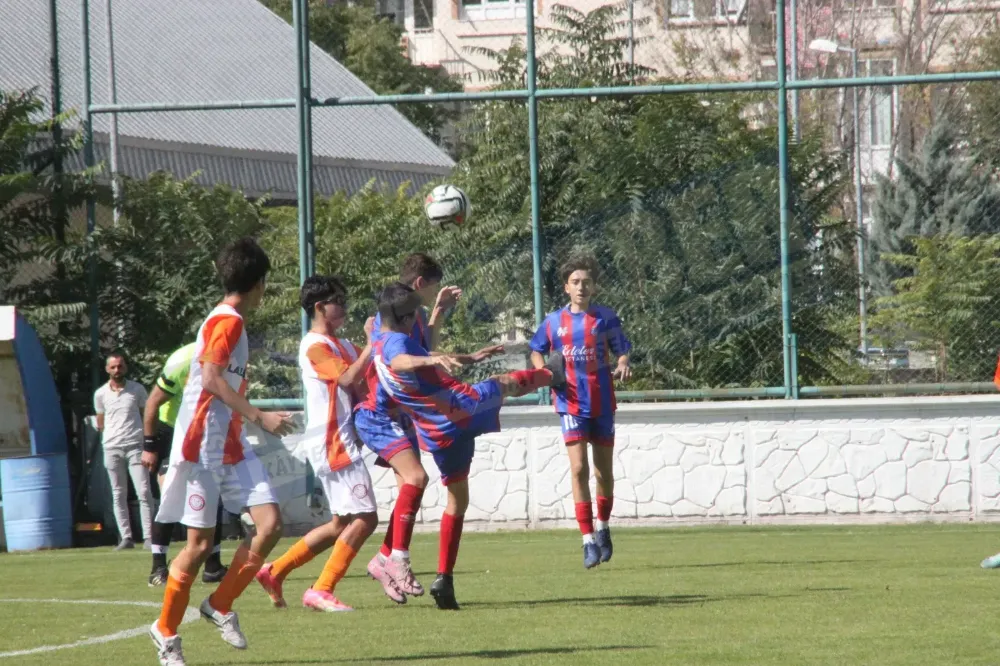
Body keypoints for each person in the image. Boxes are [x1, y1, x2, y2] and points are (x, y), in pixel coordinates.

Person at [372, 282, 567, 609]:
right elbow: (402, 361)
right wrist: (426, 362)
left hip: (437, 433)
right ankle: (553, 374)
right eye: (416, 314)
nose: (418, 319)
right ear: (405, 318)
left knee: (457, 498)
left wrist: (466, 357)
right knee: (502, 384)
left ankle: (444, 580)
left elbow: (418, 358)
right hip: (457, 409)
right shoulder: (397, 343)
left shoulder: (379, 341)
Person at [148, 238, 295, 666]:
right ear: (260, 283)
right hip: (202, 448)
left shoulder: (231, 322)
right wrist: (259, 416)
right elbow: (211, 378)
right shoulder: (227, 321)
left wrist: (252, 416)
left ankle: (219, 604)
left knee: (269, 525)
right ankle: (166, 632)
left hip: (230, 443)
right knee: (198, 546)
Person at [255, 275, 385, 612]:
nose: (344, 307)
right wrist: (371, 343)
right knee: (366, 518)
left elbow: (368, 374)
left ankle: (274, 571)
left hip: (340, 440)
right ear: (319, 307)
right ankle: (322, 589)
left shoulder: (342, 345)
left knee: (341, 523)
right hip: (333, 441)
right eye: (337, 302)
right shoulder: (315, 346)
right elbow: (348, 377)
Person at [357, 253, 462, 603]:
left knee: (411, 491)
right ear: (420, 284)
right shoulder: (391, 316)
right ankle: (395, 559)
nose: (433, 293)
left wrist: (439, 311)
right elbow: (400, 358)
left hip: (401, 415)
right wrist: (431, 358)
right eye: (433, 288)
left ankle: (384, 560)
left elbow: (423, 346)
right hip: (380, 414)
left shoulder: (408, 312)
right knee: (415, 480)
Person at [529, 254, 632, 570]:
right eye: (575, 282)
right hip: (570, 402)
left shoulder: (605, 318)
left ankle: (603, 526)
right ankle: (587, 539)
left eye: (586, 282)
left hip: (602, 403)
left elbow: (622, 350)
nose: (581, 287)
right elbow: (536, 350)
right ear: (566, 287)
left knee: (603, 473)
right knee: (578, 469)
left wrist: (623, 364)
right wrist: (544, 372)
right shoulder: (553, 322)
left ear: (594, 287)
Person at [141, 342, 228, 586]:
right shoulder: (183, 360)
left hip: (203, 432)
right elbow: (152, 403)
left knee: (211, 494)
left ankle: (213, 566)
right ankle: (158, 568)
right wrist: (149, 447)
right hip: (171, 431)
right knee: (170, 495)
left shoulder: (230, 356)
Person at [94, 352, 154, 551]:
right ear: (107, 369)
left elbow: (147, 416)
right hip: (112, 447)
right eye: (113, 367)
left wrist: (148, 441)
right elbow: (101, 423)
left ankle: (149, 536)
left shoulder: (137, 389)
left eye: (120, 366)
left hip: (135, 446)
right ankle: (126, 538)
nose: (117, 370)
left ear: (125, 367)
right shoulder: (100, 394)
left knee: (143, 491)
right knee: (118, 493)